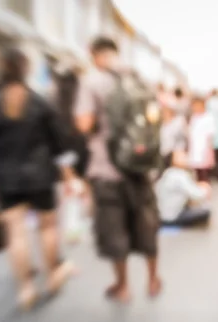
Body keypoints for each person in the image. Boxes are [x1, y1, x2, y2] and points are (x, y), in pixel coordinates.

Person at [0, 48, 74, 311]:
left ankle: (25, 290)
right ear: (26, 69)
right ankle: (52, 276)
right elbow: (60, 148)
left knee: (16, 234)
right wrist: (69, 178)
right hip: (40, 176)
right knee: (48, 228)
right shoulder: (42, 104)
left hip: (6, 178)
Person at [74, 36, 161, 303]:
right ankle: (153, 278)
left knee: (114, 228)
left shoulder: (92, 81)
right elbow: (155, 118)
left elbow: (84, 124)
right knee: (145, 224)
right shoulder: (140, 79)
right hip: (140, 166)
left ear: (93, 53)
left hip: (107, 169)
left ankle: (123, 286)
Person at [156, 150, 211, 227]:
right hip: (172, 217)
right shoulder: (179, 175)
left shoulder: (168, 173)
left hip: (161, 215)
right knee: (206, 210)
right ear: (174, 161)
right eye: (181, 156)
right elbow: (198, 195)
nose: (185, 157)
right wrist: (206, 188)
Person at [188, 96, 215, 182]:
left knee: (204, 175)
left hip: (204, 150)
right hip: (195, 150)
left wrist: (209, 152)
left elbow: (210, 136)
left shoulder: (208, 117)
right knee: (198, 175)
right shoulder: (194, 117)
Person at [160, 101, 187, 174]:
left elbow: (182, 136)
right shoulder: (162, 123)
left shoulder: (178, 121)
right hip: (164, 151)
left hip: (175, 151)